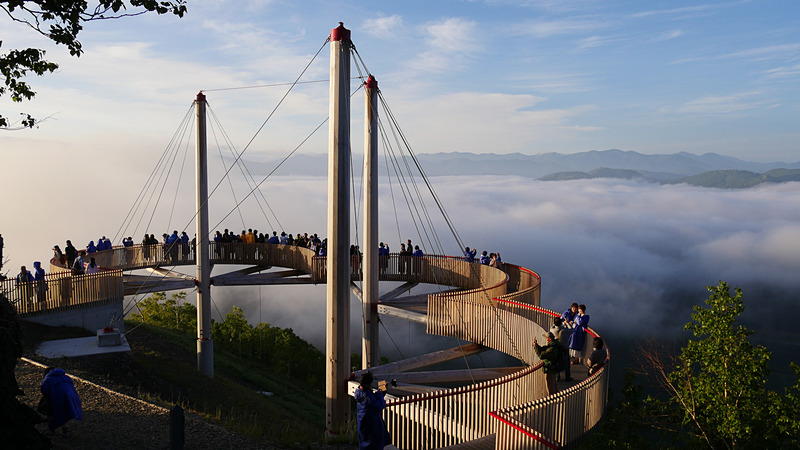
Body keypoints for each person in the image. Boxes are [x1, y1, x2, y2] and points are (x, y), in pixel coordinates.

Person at [40, 367, 82, 436]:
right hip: (70, 398)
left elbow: (45, 391)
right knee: (64, 413)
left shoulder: (48, 379)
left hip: (57, 398)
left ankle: (51, 430)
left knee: (51, 413)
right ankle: (66, 431)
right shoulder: (66, 377)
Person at [354, 372, 390, 450]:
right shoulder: (368, 399)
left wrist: (381, 391)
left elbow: (373, 397)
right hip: (373, 426)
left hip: (363, 425)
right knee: (374, 446)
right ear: (368, 384)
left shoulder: (360, 392)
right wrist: (380, 394)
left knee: (365, 445)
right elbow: (379, 405)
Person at [533, 332, 561, 396]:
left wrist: (535, 347)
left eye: (546, 338)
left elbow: (541, 355)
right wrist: (536, 345)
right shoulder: (553, 345)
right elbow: (544, 349)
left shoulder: (552, 348)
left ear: (550, 339)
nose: (546, 339)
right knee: (554, 385)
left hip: (550, 368)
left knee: (550, 387)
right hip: (553, 368)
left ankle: (552, 400)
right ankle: (557, 398)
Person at [550, 317, 573, 381]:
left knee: (557, 361)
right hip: (564, 348)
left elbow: (553, 326)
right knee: (566, 363)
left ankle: (557, 377)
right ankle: (567, 377)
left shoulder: (552, 330)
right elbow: (572, 330)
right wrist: (566, 323)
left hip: (556, 348)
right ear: (560, 323)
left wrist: (555, 323)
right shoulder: (564, 330)